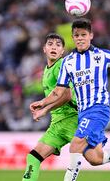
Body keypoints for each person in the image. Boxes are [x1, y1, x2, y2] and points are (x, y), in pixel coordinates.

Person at [30, 18, 110, 180]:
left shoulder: (101, 55)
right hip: (83, 113)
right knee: (95, 158)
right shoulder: (68, 62)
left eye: (83, 34)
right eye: (76, 35)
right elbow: (58, 91)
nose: (80, 38)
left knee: (75, 145)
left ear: (91, 36)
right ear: (73, 37)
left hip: (98, 109)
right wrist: (42, 104)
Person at [22, 33, 78, 181]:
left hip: (72, 119)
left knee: (96, 157)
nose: (54, 47)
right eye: (50, 44)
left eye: (58, 45)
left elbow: (67, 96)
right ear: (44, 49)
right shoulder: (47, 70)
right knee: (33, 157)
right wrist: (47, 110)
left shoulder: (60, 66)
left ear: (62, 51)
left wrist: (45, 109)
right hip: (58, 123)